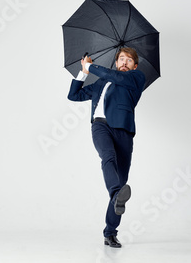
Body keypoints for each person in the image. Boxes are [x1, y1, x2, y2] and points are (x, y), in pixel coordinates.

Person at [67, 47, 146, 248]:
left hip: (124, 131)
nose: (125, 62)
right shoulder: (101, 82)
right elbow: (73, 95)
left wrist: (91, 65)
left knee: (121, 179)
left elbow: (116, 77)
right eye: (121, 59)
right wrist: (83, 72)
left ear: (134, 65)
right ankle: (115, 193)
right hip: (100, 126)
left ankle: (110, 232)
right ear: (116, 61)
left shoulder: (136, 78)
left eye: (129, 60)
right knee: (107, 157)